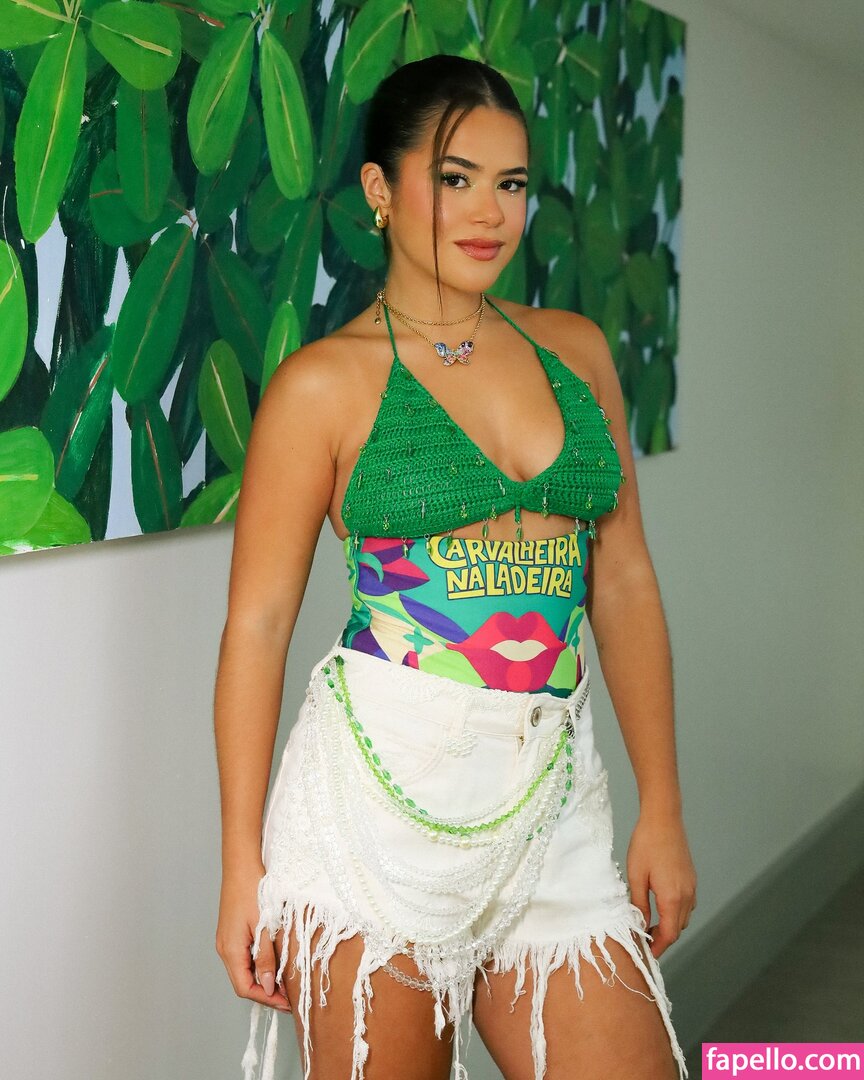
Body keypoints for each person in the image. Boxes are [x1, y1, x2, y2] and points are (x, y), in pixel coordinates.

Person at [215, 54, 697, 1080]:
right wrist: (239, 864)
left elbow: (621, 583)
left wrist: (662, 803)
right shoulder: (322, 385)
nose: (490, 212)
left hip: (554, 804)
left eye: (511, 183)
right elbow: (255, 628)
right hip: (374, 819)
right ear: (380, 190)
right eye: (454, 177)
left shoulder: (576, 352)